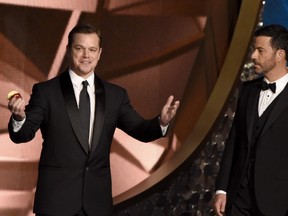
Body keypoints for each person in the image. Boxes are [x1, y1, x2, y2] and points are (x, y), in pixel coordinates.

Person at [7, 23, 180, 216]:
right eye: (79, 48)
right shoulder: (46, 92)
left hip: (97, 204)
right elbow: (23, 134)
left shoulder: (116, 95)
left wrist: (161, 122)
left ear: (99, 53)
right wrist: (19, 117)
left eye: (92, 50)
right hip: (56, 203)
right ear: (68, 50)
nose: (86, 56)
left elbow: (140, 129)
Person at [213, 24, 288, 216]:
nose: (253, 56)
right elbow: (234, 141)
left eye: (260, 50)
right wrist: (221, 189)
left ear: (280, 55)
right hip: (238, 198)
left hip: (278, 202)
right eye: (254, 50)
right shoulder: (248, 90)